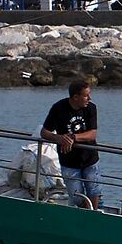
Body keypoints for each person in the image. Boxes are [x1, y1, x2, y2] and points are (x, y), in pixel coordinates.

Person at [41, 76, 102, 208]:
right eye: (86, 96)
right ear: (75, 97)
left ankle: (93, 216)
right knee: (76, 196)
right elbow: (44, 132)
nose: (89, 99)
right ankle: (84, 214)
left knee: (94, 190)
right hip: (68, 161)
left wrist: (73, 138)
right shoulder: (58, 108)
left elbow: (92, 134)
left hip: (89, 158)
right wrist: (59, 138)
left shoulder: (91, 108)